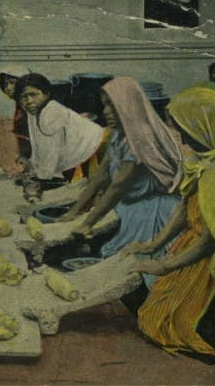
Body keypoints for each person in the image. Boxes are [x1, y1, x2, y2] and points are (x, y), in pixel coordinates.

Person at [122, 86, 215, 370]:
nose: (184, 139)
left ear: (208, 127)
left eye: (187, 131)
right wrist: (151, 245)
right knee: (148, 310)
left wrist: (163, 265)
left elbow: (212, 241)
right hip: (193, 250)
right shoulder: (203, 159)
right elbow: (184, 209)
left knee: (182, 326)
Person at [57, 77, 182, 287]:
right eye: (104, 104)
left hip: (150, 211)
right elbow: (102, 175)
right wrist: (74, 211)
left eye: (111, 105)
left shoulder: (141, 137)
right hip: (127, 205)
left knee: (124, 264)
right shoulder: (117, 133)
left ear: (127, 105)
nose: (105, 111)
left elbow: (118, 186)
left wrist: (87, 223)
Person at [13, 73, 106, 202]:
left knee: (90, 195)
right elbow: (37, 144)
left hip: (99, 146)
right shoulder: (35, 111)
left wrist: (40, 179)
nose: (29, 101)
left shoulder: (51, 113)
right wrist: (34, 170)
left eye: (34, 95)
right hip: (88, 149)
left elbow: (50, 152)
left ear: (46, 94)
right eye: (23, 97)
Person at [0, 66, 31, 157]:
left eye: (12, 83)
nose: (7, 88)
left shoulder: (31, 106)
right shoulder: (19, 105)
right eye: (5, 84)